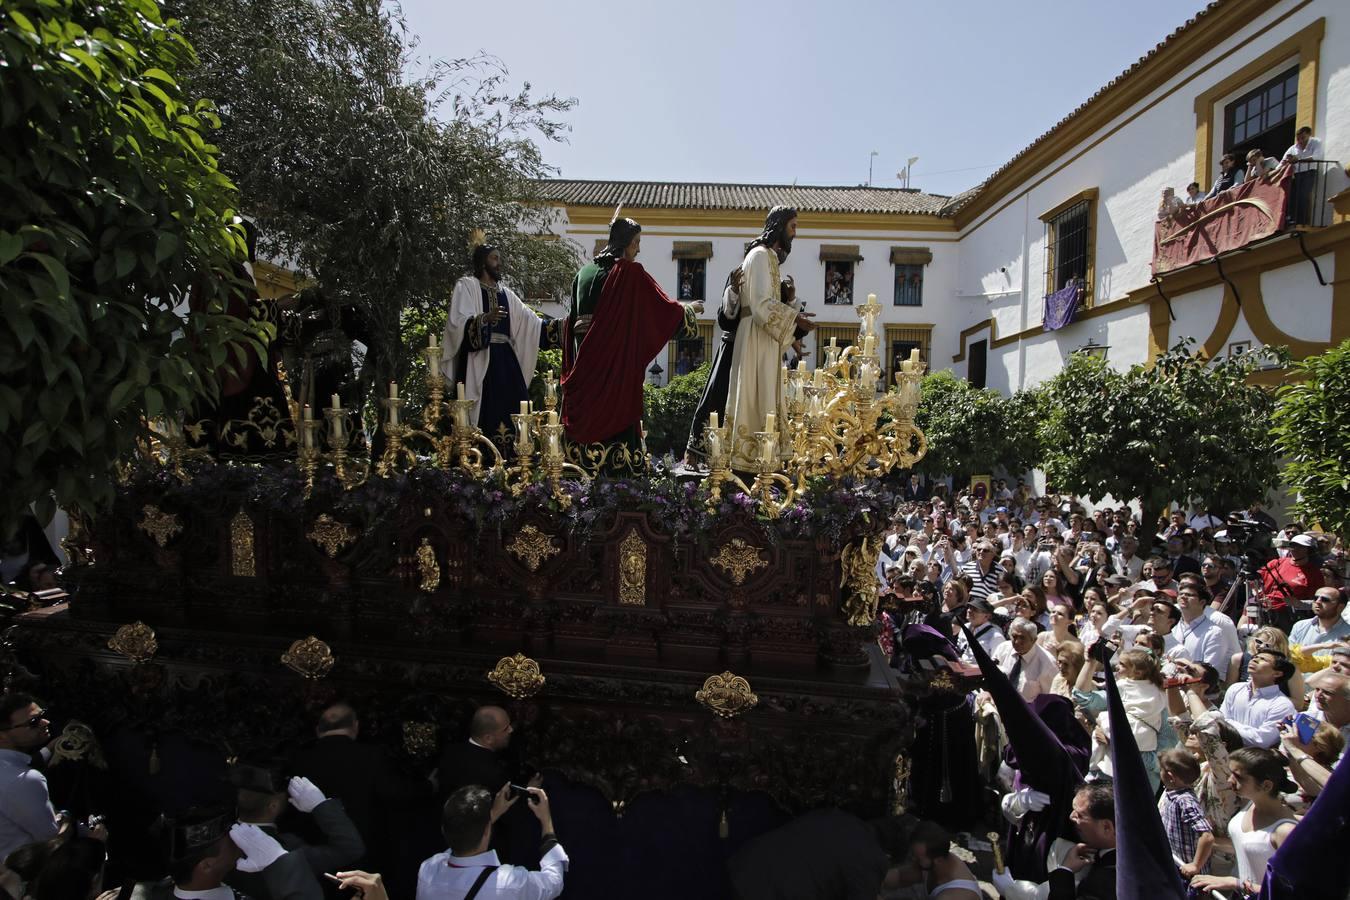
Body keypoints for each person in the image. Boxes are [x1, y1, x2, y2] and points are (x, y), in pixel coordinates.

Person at [561, 215, 702, 461]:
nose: (638, 248)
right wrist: (690, 310)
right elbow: (659, 312)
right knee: (617, 452)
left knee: (581, 464)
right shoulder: (629, 274)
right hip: (615, 378)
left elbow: (570, 323)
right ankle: (621, 488)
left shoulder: (583, 274)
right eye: (636, 242)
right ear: (625, 242)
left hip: (584, 374)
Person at [289, 702, 424, 889]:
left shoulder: (298, 758)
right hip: (361, 852)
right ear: (356, 726)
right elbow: (395, 793)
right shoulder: (372, 756)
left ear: (318, 728)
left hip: (310, 853)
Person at [723, 206, 815, 471]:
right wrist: (795, 321)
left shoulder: (768, 257)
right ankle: (750, 462)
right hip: (755, 337)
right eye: (793, 226)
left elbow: (770, 306)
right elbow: (762, 304)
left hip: (763, 337)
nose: (795, 233)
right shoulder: (761, 256)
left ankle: (761, 460)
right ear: (779, 226)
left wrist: (794, 325)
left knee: (762, 396)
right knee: (754, 396)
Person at [441, 241, 558, 444]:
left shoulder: (507, 295)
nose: (498, 263)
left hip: (506, 364)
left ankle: (517, 460)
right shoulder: (466, 286)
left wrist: (562, 327)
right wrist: (484, 319)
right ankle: (482, 458)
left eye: (499, 259)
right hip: (480, 362)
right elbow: (457, 323)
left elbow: (532, 323)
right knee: (486, 412)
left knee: (515, 409)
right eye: (494, 258)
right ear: (482, 262)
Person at [226, 763, 365, 898]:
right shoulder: (289, 849)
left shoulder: (218, 843)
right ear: (273, 806)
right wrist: (320, 806)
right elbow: (349, 848)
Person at [728, 808, 915, 900]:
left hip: (745, 865)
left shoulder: (842, 816)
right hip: (771, 893)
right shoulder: (871, 859)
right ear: (888, 856)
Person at [418, 784, 565, 900]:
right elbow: (554, 881)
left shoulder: (428, 870)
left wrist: (491, 816)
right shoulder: (509, 884)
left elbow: (458, 842)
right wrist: (546, 821)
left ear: (444, 829)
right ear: (487, 829)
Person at [1189, 747, 1299, 898]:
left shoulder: (1285, 831)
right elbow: (1246, 847)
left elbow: (1292, 891)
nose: (1229, 780)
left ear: (1266, 786)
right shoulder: (1249, 803)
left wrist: (1236, 883)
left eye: (1238, 777)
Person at [992, 784, 1117, 900]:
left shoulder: (1105, 881)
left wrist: (1065, 870)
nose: (1071, 817)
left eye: (1080, 815)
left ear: (1106, 827)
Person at [0, 693, 57, 861]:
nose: (45, 722)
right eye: (33, 722)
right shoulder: (25, 780)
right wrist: (67, 821)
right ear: (2, 735)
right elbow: (51, 838)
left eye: (42, 715)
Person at [1219, 649, 1298, 748]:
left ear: (1277, 673)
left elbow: (1261, 740)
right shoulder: (1235, 689)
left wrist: (1227, 724)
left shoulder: (1282, 704)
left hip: (1254, 759)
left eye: (1263, 659)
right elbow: (1220, 721)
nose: (1254, 660)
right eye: (1255, 657)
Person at [1156, 747, 1214, 879]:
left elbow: (1207, 837)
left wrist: (1195, 865)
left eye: (1161, 770)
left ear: (1170, 777)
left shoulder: (1185, 801)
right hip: (1175, 864)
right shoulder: (1171, 794)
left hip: (1188, 873)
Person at [1259, 533, 1324, 632]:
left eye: (1300, 546)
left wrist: (1299, 603)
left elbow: (1318, 602)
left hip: (1288, 616)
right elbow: (1256, 580)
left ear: (1309, 550)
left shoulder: (1314, 573)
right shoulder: (1276, 563)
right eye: (1292, 545)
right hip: (1264, 610)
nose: (1294, 548)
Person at [905, 820, 981, 900]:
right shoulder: (935, 860)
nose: (913, 860)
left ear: (938, 860)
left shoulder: (955, 895)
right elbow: (899, 876)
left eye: (918, 858)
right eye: (913, 855)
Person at [993, 619, 1057, 702]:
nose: (1017, 642)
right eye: (1014, 636)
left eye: (1022, 638)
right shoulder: (1003, 649)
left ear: (1034, 640)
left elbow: (1050, 699)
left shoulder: (1048, 664)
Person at [1281, 125, 1323, 225]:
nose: (1300, 141)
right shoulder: (1293, 148)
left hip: (1309, 172)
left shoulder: (1316, 142)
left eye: (1303, 138)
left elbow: (1317, 157)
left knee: (1303, 196)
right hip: (1296, 175)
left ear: (1309, 135)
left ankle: (1303, 222)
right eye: (1298, 138)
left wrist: (1298, 160)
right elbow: (1282, 163)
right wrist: (1287, 161)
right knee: (1293, 197)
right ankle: (1293, 220)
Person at [1290, 587, 1350, 655]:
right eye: (1315, 598)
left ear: (1340, 607)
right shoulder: (1299, 626)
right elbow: (1289, 654)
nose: (1318, 601)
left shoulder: (1348, 633)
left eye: (1325, 599)